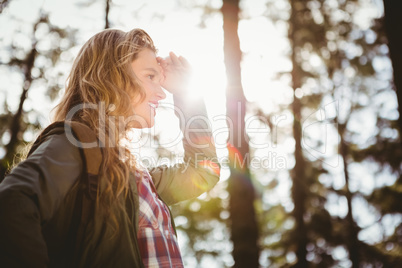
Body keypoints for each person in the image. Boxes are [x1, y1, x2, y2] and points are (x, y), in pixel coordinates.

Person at [0, 28, 220, 267]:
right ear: (113, 77)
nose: (161, 93)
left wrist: (188, 96)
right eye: (150, 77)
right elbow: (12, 203)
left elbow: (204, 172)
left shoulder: (135, 178)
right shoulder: (76, 143)